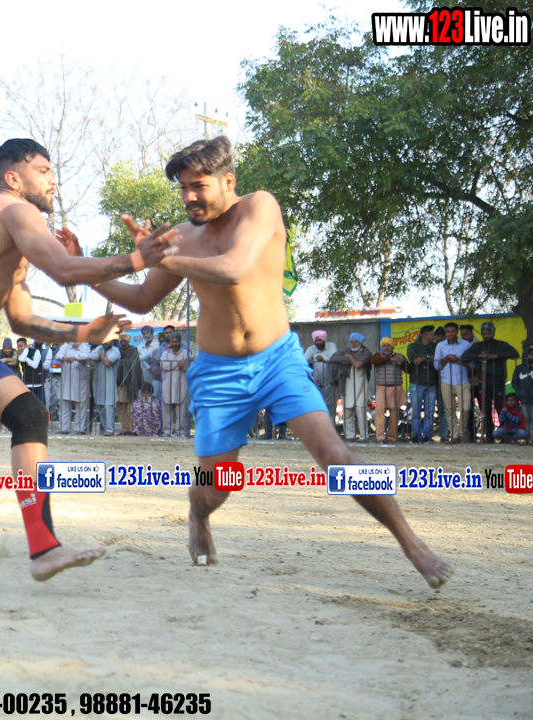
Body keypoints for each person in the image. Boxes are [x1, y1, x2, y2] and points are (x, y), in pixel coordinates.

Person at [89, 135, 452, 587]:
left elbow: (235, 267)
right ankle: (198, 515)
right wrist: (86, 269)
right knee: (215, 487)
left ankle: (412, 543)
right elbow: (143, 298)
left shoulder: (259, 206)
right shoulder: (182, 237)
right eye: (182, 187)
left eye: (198, 186)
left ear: (228, 181)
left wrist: (165, 258)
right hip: (217, 372)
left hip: (277, 360)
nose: (188, 197)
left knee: (335, 455)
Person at [0, 137, 144, 581]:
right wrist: (136, 259)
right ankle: (44, 548)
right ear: (14, 177)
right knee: (30, 415)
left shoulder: (10, 231)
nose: (53, 181)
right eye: (43, 171)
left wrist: (86, 333)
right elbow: (64, 269)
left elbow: (20, 320)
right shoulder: (15, 209)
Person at [462, 321, 519, 443]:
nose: (486, 336)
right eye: (484, 333)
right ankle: (489, 435)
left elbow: (515, 353)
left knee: (500, 408)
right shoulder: (479, 346)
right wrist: (479, 355)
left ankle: (504, 436)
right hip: (483, 382)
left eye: (488, 333)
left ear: (493, 333)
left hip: (498, 381)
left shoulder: (501, 345)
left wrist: (496, 356)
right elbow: (465, 356)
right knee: (485, 409)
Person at [434, 322, 471, 444]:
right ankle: (455, 436)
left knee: (466, 408)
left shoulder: (465, 344)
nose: (450, 334)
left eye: (452, 331)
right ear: (446, 333)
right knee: (450, 410)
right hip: (446, 381)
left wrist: (457, 360)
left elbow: (472, 364)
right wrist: (446, 358)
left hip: (462, 380)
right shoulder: (440, 346)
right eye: (448, 331)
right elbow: (436, 366)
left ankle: (462, 434)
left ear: (457, 332)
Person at [330, 333, 371, 442]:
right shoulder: (346, 351)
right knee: (347, 411)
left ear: (361, 343)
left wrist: (350, 357)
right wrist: (351, 359)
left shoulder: (366, 353)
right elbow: (333, 358)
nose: (353, 344)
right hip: (346, 385)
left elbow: (358, 365)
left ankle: (364, 436)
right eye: (351, 342)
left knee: (360, 410)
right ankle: (350, 436)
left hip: (361, 386)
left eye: (356, 342)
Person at [405, 325, 438, 443]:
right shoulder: (412, 346)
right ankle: (416, 435)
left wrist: (423, 358)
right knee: (416, 412)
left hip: (432, 383)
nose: (434, 337)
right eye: (432, 334)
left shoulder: (436, 347)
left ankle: (427, 436)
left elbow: (437, 359)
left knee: (430, 412)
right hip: (416, 383)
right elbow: (411, 356)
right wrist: (429, 357)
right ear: (426, 335)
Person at [371, 337, 407, 442]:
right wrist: (389, 358)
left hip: (396, 387)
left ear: (392, 347)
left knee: (395, 413)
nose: (386, 348)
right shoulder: (378, 355)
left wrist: (403, 361)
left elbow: (408, 370)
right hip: (381, 387)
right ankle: (380, 437)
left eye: (388, 345)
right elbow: (373, 361)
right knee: (379, 411)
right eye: (384, 346)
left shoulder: (399, 356)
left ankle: (392, 437)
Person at [303, 330, 338, 424]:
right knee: (318, 409)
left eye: (320, 340)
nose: (318, 342)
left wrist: (324, 360)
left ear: (324, 340)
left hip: (330, 383)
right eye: (316, 340)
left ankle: (331, 429)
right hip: (317, 384)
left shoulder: (331, 346)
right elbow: (303, 359)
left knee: (331, 408)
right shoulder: (312, 349)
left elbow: (334, 357)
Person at [160, 332, 190, 437]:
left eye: (176, 341)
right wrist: (178, 363)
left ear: (180, 342)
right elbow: (163, 366)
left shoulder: (186, 353)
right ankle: (167, 431)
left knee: (181, 409)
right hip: (167, 384)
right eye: (172, 341)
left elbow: (189, 367)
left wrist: (182, 366)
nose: (174, 343)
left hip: (181, 383)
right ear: (170, 342)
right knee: (167, 408)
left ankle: (180, 431)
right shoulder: (165, 353)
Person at [56, 342, 90, 434]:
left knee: (80, 408)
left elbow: (85, 356)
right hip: (66, 382)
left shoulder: (85, 348)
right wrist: (64, 358)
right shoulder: (64, 347)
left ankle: (78, 429)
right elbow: (58, 355)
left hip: (80, 382)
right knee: (64, 407)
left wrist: (74, 358)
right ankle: (64, 429)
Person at [89, 339, 120, 435]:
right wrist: (102, 357)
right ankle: (105, 428)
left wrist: (101, 356)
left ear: (112, 342)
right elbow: (91, 356)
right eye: (104, 341)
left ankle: (110, 430)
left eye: (108, 341)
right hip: (98, 381)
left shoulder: (115, 350)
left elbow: (107, 362)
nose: (106, 343)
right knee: (100, 404)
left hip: (110, 380)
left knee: (109, 404)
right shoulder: (99, 348)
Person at [116, 333, 143, 435]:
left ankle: (134, 429)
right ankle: (125, 428)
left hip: (131, 382)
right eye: (121, 341)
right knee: (120, 407)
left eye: (125, 341)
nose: (123, 343)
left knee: (132, 407)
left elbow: (135, 365)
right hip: (119, 383)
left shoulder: (133, 350)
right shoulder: (117, 351)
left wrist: (125, 367)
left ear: (128, 341)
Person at [511, 346, 533, 442]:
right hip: (523, 398)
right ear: (525, 355)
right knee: (526, 418)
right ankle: (528, 438)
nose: (532, 356)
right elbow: (514, 382)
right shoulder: (519, 368)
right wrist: (520, 392)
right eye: (530, 354)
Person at [18, 338, 48, 406]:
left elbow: (35, 365)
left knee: (40, 404)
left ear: (26, 345)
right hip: (27, 382)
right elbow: (21, 360)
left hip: (37, 383)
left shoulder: (36, 351)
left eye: (21, 346)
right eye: (18, 346)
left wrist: (26, 358)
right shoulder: (20, 354)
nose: (20, 348)